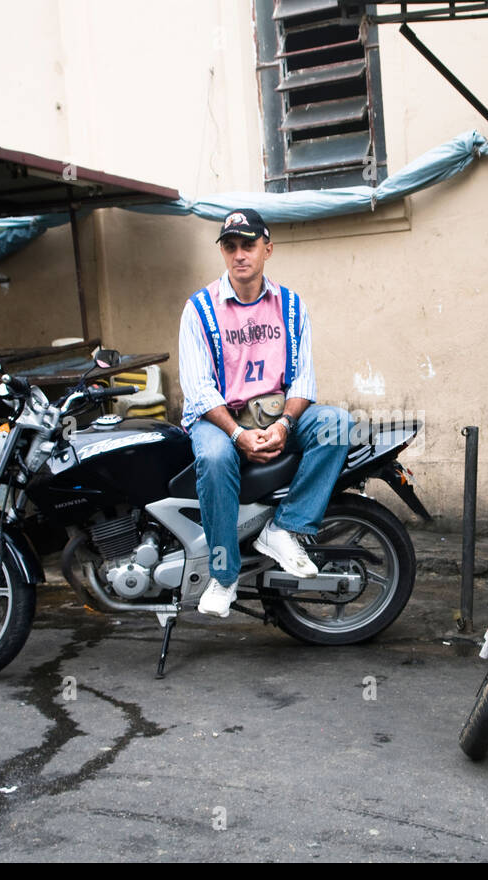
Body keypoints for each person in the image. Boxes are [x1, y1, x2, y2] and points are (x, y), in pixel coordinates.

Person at [178, 208, 350, 618]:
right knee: (216, 458)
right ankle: (223, 576)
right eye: (231, 246)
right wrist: (237, 434)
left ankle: (284, 527)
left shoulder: (290, 306)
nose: (240, 254)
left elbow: (304, 381)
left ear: (267, 249)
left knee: (337, 424)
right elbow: (198, 389)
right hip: (219, 418)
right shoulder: (199, 309)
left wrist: (286, 424)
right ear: (223, 252)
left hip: (276, 412)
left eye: (249, 244)